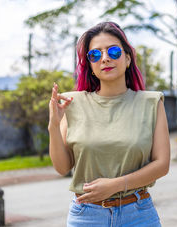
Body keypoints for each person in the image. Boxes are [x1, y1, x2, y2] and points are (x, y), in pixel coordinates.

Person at [48, 22, 170, 227]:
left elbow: (162, 164)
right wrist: (53, 124)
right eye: (95, 55)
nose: (105, 58)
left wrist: (116, 185)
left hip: (138, 215)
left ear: (128, 58)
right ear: (91, 66)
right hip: (86, 216)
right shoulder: (73, 103)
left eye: (113, 51)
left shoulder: (151, 102)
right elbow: (62, 167)